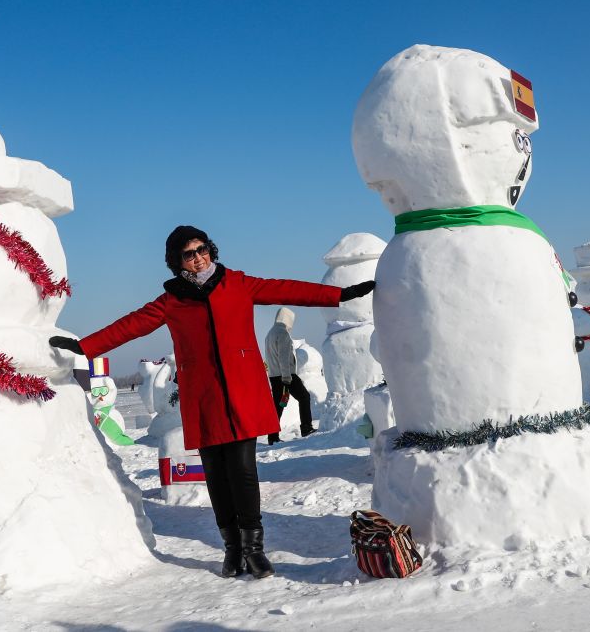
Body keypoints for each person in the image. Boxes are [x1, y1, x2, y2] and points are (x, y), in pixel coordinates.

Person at [49, 225, 374, 579]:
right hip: (203, 397)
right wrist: (85, 347)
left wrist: (340, 295)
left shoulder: (238, 283)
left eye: (202, 248)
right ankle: (232, 550)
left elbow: (287, 289)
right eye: (190, 253)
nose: (199, 256)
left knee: (244, 472)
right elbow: (131, 326)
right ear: (178, 262)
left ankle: (254, 550)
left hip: (241, 392)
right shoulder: (172, 301)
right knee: (217, 477)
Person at [264, 307, 315, 445]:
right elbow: (284, 357)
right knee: (304, 397)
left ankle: (272, 437)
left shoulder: (270, 334)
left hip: (274, 376)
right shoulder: (283, 333)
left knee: (278, 405)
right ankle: (306, 427)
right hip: (286, 375)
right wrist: (287, 377)